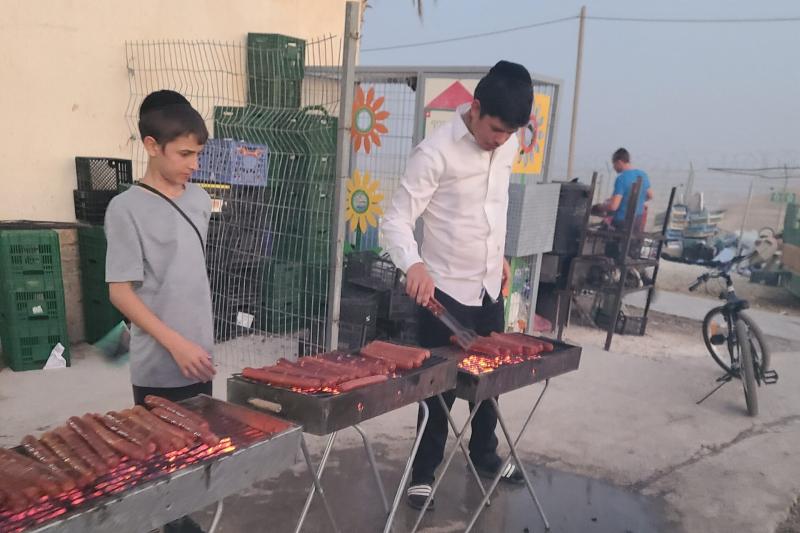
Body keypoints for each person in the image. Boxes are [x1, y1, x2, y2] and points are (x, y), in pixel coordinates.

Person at [381, 61, 533, 510]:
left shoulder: (508, 145)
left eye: (510, 133)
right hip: (444, 293)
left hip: (488, 289)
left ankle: (484, 455)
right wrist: (413, 265)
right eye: (496, 129)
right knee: (438, 389)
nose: (501, 140)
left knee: (490, 383)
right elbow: (395, 220)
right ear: (475, 107)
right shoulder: (435, 153)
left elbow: (493, 207)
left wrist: (499, 255)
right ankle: (423, 473)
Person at [105, 90, 214, 532]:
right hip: (158, 364)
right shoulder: (125, 208)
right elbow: (120, 292)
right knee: (163, 469)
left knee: (197, 462)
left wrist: (195, 344)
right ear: (152, 146)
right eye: (184, 154)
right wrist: (175, 343)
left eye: (198, 154)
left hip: (200, 356)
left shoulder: (200, 200)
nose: (194, 164)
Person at [604, 147, 652, 230]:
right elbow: (650, 196)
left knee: (603, 227)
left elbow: (613, 206)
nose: (614, 167)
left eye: (614, 164)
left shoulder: (621, 178)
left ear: (619, 162)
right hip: (637, 222)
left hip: (621, 223)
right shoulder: (643, 175)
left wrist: (602, 207)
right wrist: (635, 201)